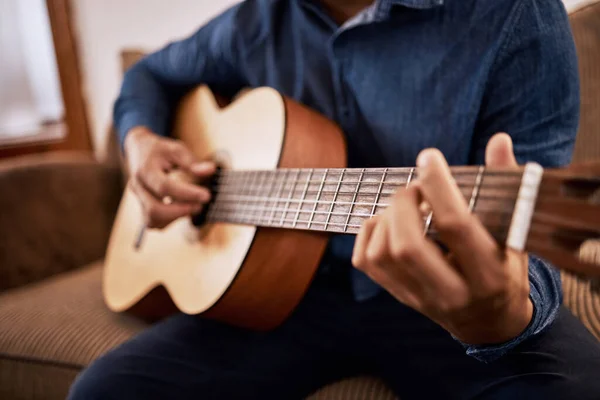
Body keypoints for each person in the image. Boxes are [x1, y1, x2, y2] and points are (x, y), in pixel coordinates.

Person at [69, 0, 600, 399]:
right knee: (103, 391)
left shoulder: (515, 16)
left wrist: (500, 313)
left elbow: (527, 252)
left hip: (437, 308)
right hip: (282, 294)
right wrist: (139, 142)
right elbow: (148, 76)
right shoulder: (256, 20)